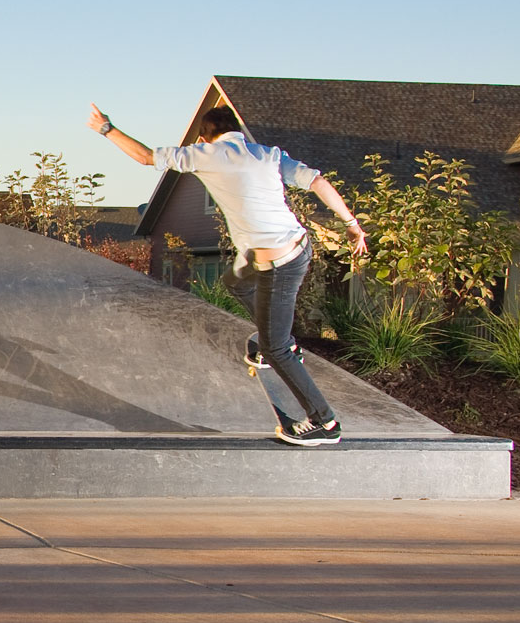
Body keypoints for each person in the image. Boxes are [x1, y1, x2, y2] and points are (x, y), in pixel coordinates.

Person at [87, 102, 368, 446]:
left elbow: (145, 157)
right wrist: (352, 225)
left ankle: (324, 422)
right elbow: (318, 182)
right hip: (297, 247)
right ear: (237, 131)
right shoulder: (267, 154)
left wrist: (107, 129)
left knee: (276, 347)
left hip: (279, 266)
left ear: (205, 137)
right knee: (235, 281)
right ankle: (275, 341)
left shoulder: (203, 155)